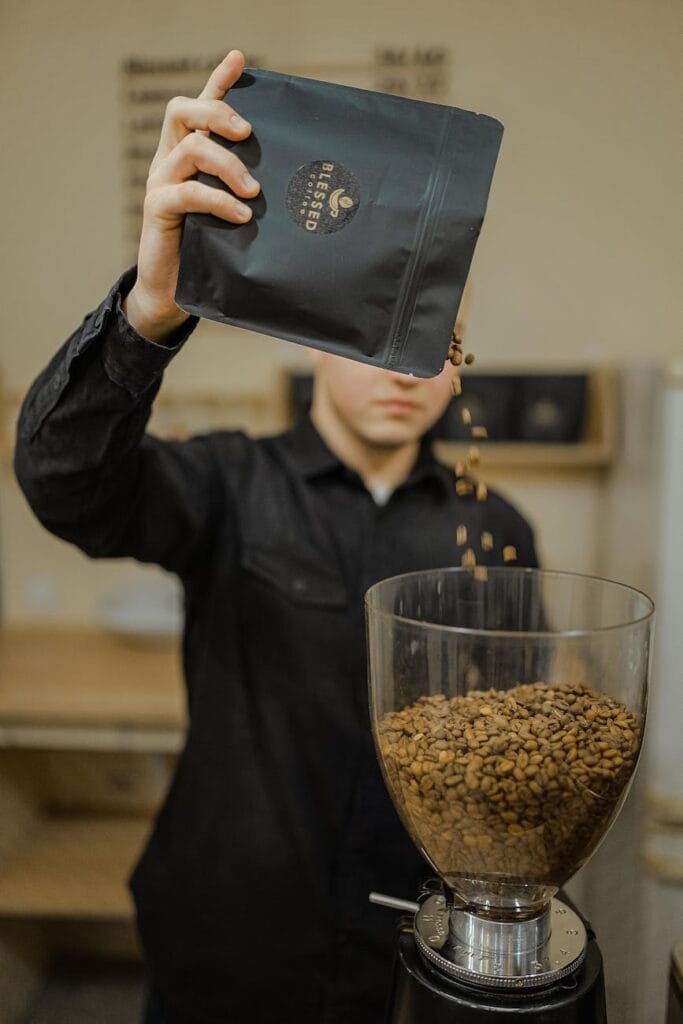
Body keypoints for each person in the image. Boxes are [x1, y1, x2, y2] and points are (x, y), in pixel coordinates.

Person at [14, 50, 538, 1024]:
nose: (405, 366)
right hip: (232, 944)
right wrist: (149, 313)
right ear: (316, 335)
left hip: (414, 954)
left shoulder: (494, 532)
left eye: (432, 336)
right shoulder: (226, 482)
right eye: (376, 328)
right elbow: (63, 481)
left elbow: (512, 754)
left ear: (457, 364)